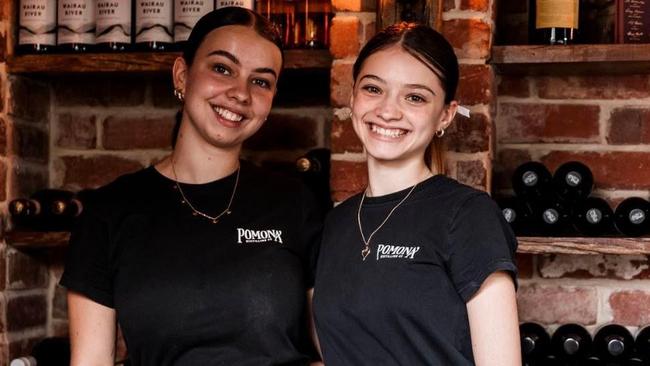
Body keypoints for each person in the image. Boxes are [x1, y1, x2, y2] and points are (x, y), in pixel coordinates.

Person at [61, 7, 322, 366]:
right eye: (222, 68)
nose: (241, 93)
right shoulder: (109, 213)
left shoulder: (294, 203)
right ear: (182, 75)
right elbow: (90, 361)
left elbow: (338, 352)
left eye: (260, 81)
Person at [312, 23, 520, 365]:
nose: (388, 111)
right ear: (352, 98)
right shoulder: (337, 223)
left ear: (445, 115)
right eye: (374, 89)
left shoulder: (468, 216)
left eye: (415, 97)